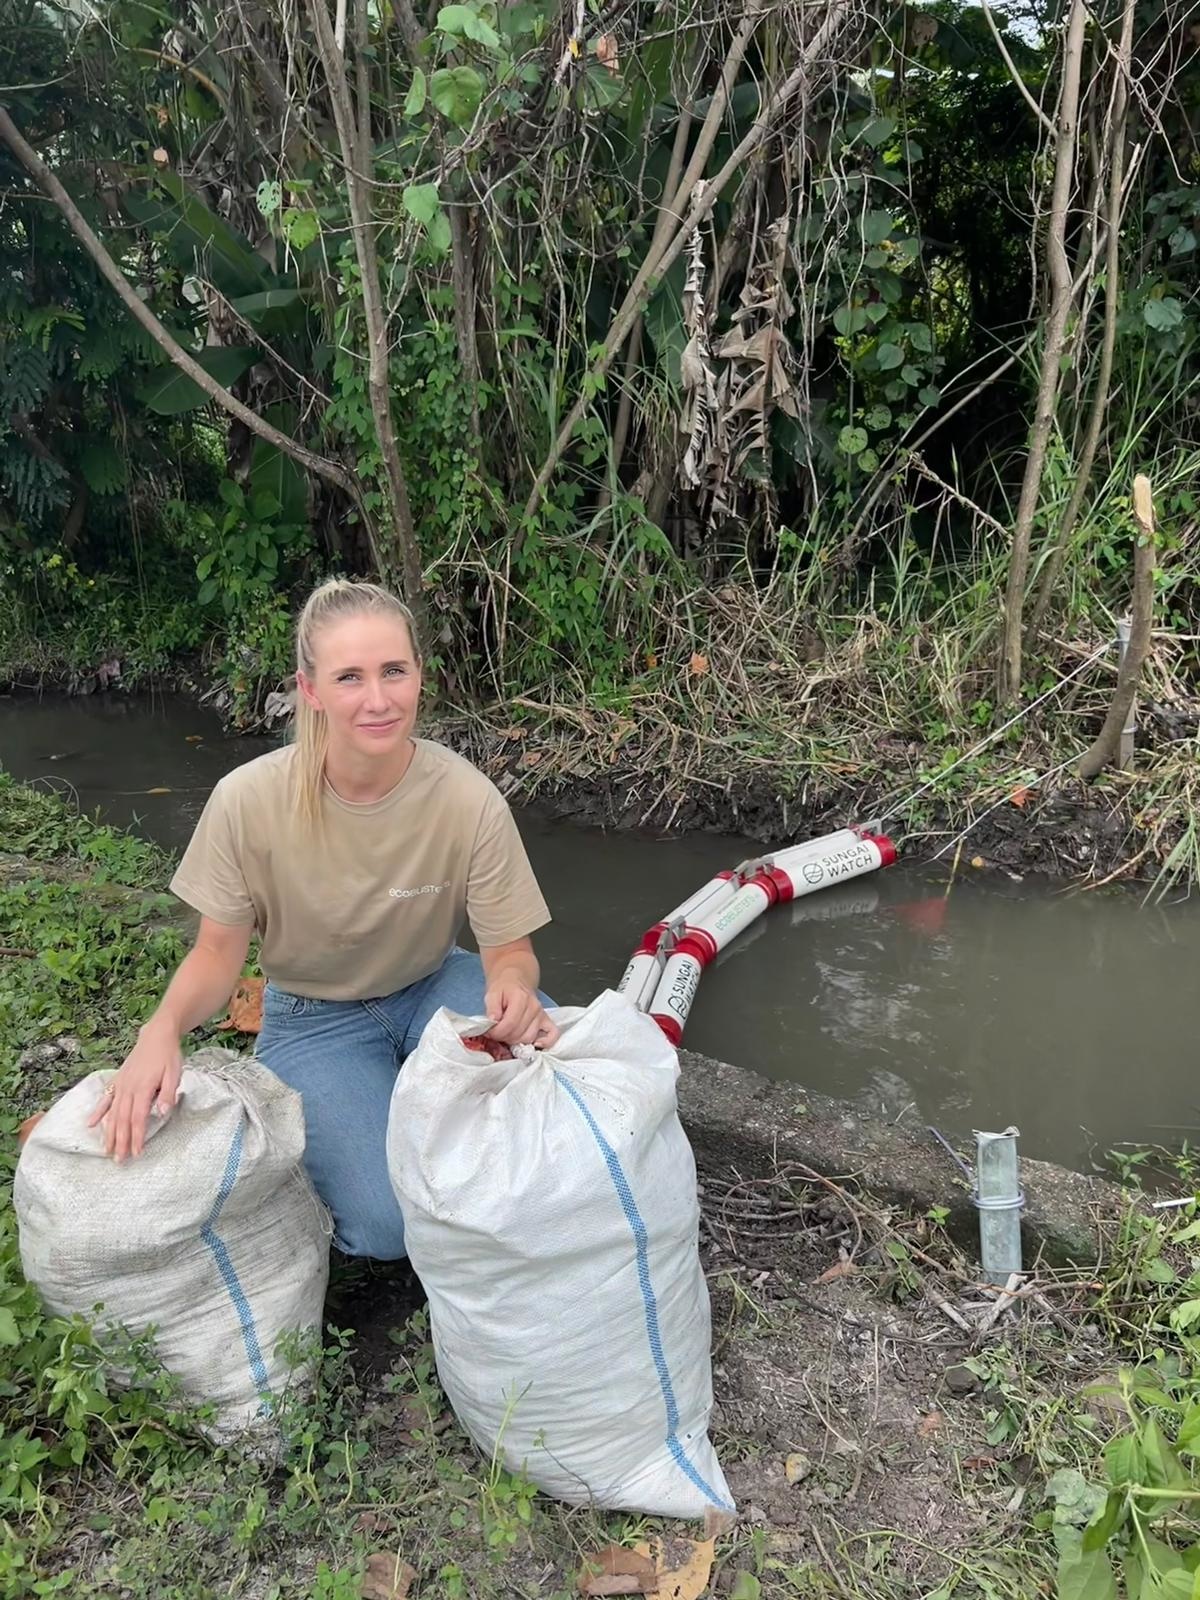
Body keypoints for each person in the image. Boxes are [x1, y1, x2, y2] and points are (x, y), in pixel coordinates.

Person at [92, 577, 558, 1260]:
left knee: (563, 1098)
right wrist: (159, 1029)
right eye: (350, 677)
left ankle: (407, 1100)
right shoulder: (247, 802)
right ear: (311, 690)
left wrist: (514, 988)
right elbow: (217, 957)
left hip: (433, 987)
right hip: (315, 1020)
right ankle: (358, 1121)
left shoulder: (467, 798)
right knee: (386, 1228)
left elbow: (509, 951)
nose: (378, 699)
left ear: (419, 675)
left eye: (394, 671)